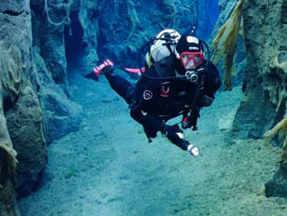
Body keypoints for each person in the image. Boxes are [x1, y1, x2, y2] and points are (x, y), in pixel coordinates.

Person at [87, 29, 221, 156]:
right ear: (177, 56)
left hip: (176, 102)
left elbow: (212, 88)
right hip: (158, 101)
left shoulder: (208, 72)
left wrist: (196, 110)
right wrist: (163, 128)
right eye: (187, 58)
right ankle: (109, 72)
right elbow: (135, 111)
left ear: (202, 58)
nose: (192, 64)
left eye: (196, 59)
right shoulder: (156, 76)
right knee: (131, 95)